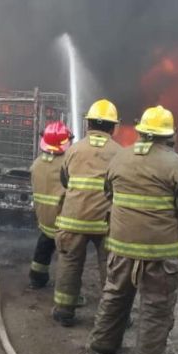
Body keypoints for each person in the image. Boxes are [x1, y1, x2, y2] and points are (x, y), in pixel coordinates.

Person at [89, 105, 178, 354]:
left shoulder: (119, 159)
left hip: (120, 246)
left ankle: (104, 343)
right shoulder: (177, 165)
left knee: (115, 296)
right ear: (170, 134)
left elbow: (108, 194)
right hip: (161, 252)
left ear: (141, 131)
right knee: (156, 306)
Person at [52, 99, 121, 327]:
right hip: (105, 223)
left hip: (73, 220)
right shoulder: (120, 154)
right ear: (113, 127)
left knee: (69, 265)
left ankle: (64, 311)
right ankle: (112, 317)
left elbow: (65, 179)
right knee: (109, 268)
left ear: (88, 124)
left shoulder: (74, 149)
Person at [29, 121, 73, 289]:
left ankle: (36, 278)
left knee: (44, 247)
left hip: (44, 220)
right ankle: (66, 293)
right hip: (63, 222)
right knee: (69, 259)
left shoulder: (37, 164)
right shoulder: (67, 164)